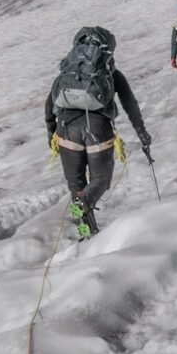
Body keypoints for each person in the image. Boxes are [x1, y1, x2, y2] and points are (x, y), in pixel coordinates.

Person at [45, 26, 152, 238]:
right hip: (98, 129)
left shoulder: (68, 70)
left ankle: (87, 232)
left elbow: (50, 102)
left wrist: (52, 132)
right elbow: (130, 105)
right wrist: (142, 135)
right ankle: (86, 205)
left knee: (77, 184)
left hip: (66, 129)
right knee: (101, 180)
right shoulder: (111, 73)